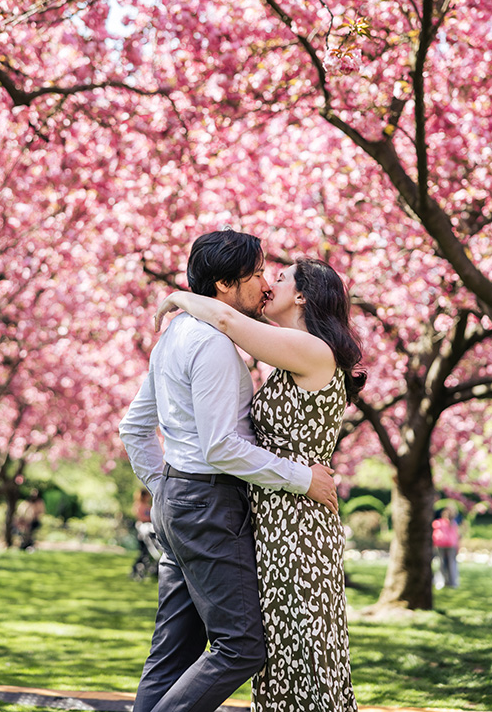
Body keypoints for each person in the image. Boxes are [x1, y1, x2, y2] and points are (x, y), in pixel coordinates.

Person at [119, 230, 341, 712]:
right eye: (257, 274)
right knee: (242, 647)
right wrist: (302, 478)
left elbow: (133, 428)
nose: (264, 283)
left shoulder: (176, 334)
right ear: (223, 284)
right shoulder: (215, 343)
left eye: (270, 275)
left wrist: (166, 489)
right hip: (211, 504)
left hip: (185, 504)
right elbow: (221, 446)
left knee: (173, 651)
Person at [432, 505, 460, 589]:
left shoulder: (452, 524)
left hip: (449, 545)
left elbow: (455, 535)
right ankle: (444, 581)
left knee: (449, 564)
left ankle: (451, 581)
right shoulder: (439, 523)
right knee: (443, 563)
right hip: (442, 545)